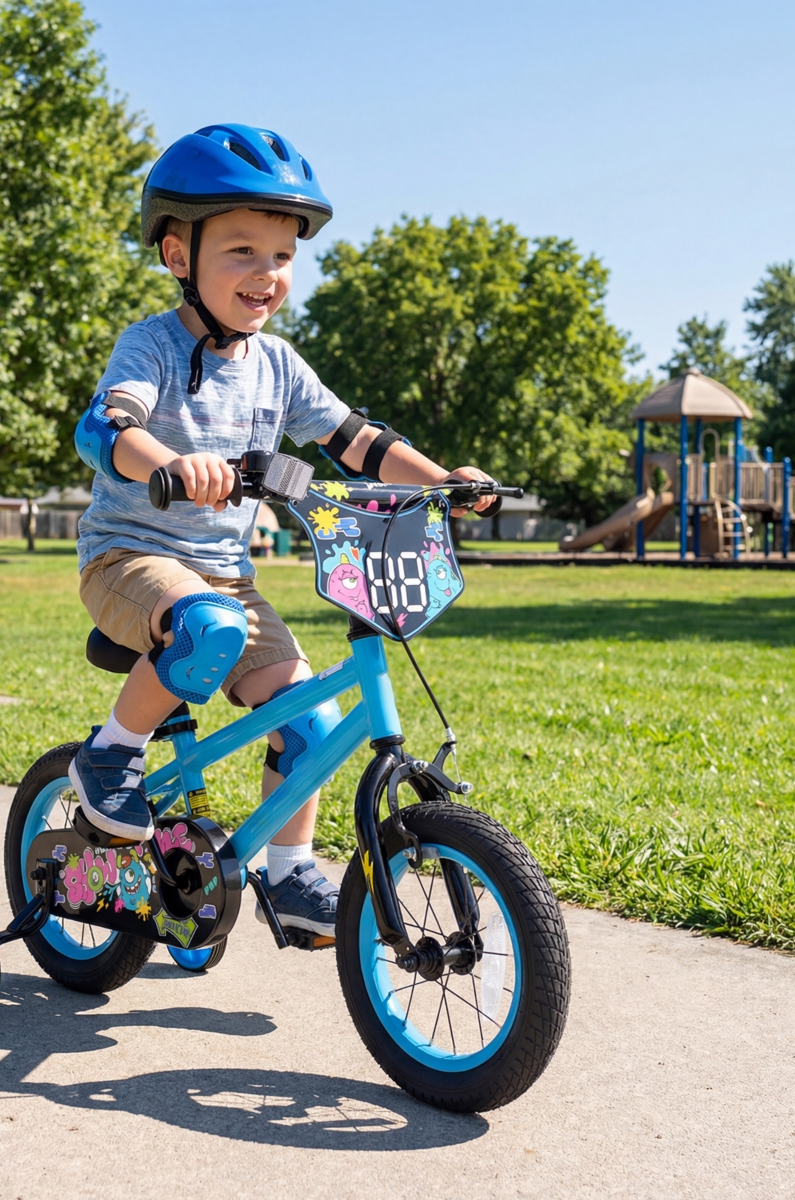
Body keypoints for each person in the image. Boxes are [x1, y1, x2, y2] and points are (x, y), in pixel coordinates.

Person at [71, 123, 496, 936]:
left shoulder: (279, 364)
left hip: (226, 574)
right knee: (207, 626)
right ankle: (113, 750)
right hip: (131, 559)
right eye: (241, 252)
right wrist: (165, 459)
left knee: (312, 719)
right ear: (176, 256)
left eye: (282, 256)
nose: (266, 274)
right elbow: (104, 425)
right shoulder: (151, 346)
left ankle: (290, 872)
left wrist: (441, 480)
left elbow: (355, 441)